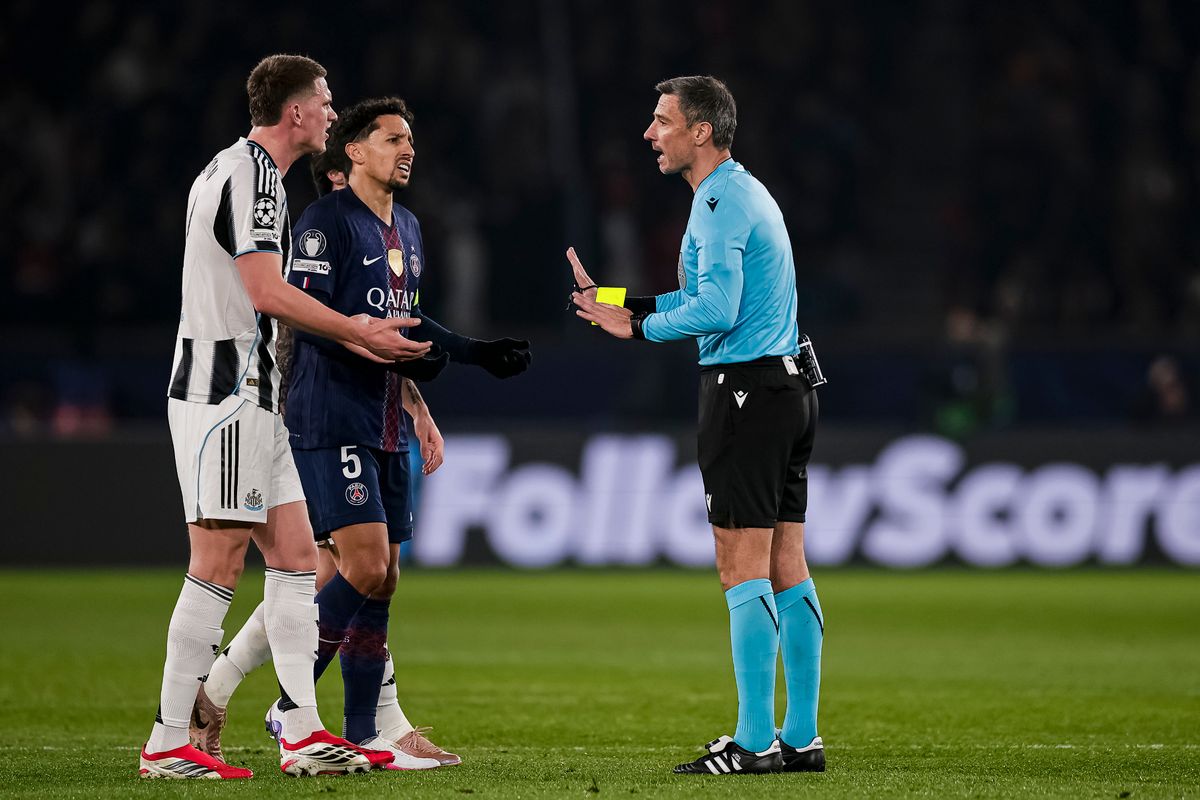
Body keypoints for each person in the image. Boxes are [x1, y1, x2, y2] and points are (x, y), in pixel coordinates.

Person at [188, 97, 531, 770]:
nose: (408, 149)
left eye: (411, 138)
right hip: (328, 412)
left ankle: (363, 731)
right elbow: (309, 317)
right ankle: (291, 707)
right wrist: (375, 353)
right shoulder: (324, 223)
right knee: (362, 566)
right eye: (393, 138)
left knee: (385, 577)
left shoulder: (407, 225)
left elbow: (404, 323)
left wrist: (469, 354)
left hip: (381, 415)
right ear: (355, 152)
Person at [140, 54, 433, 780]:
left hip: (259, 394)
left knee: (299, 558)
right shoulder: (253, 178)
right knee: (216, 561)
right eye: (326, 103)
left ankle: (300, 731)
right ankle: (168, 739)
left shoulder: (230, 170)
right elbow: (266, 292)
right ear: (296, 113)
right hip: (227, 389)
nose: (333, 115)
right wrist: (356, 328)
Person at [570, 75, 827, 776]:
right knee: (786, 568)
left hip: (745, 391)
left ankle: (752, 743)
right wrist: (619, 299)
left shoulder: (714, 203)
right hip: (788, 385)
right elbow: (709, 294)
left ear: (701, 131)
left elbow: (715, 310)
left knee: (739, 567)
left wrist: (642, 329)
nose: (651, 134)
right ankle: (799, 738)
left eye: (662, 121)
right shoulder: (742, 192)